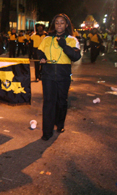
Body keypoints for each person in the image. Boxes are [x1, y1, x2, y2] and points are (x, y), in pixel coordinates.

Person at [38, 13, 81, 141]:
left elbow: (76, 56)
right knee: (49, 102)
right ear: (54, 25)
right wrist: (42, 57)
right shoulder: (47, 39)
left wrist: (64, 45)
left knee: (61, 102)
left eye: (62, 22)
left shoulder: (72, 40)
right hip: (48, 74)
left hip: (63, 74)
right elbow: (39, 50)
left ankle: (60, 124)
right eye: (57, 23)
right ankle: (47, 131)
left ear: (66, 24)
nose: (59, 25)